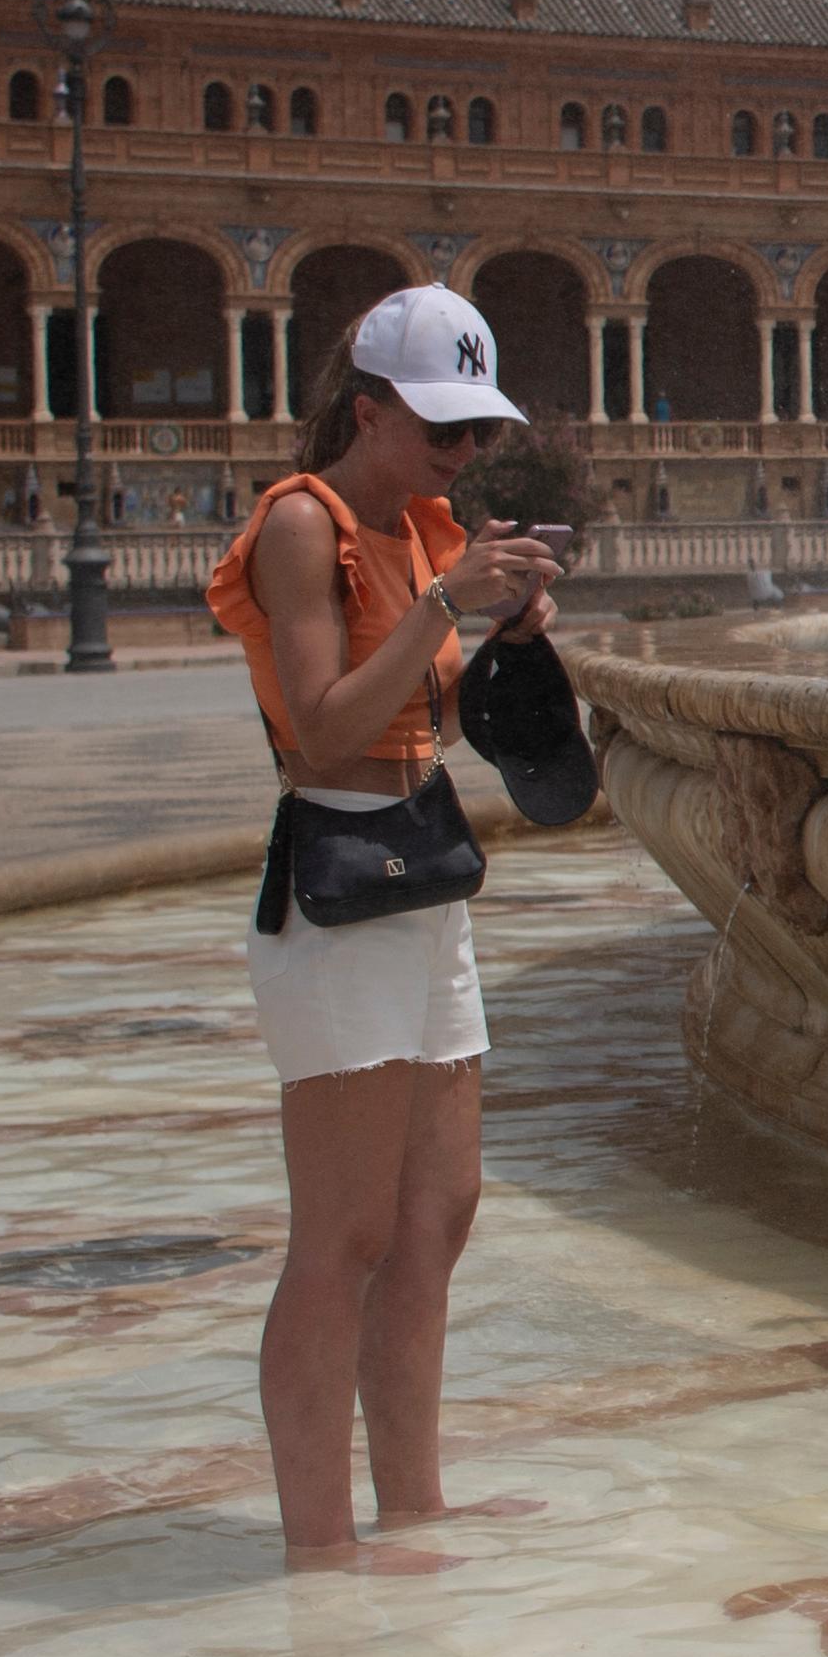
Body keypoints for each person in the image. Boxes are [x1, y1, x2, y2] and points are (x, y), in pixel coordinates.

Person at [204, 285, 566, 1569]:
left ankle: (413, 1505)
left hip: (423, 883)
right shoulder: (303, 525)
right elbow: (319, 727)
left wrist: (505, 637)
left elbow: (428, 718)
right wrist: (443, 604)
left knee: (438, 1214)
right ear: (366, 410)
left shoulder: (422, 529)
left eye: (476, 434)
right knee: (344, 1233)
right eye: (442, 430)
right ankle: (319, 1543)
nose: (464, 455)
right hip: (337, 897)